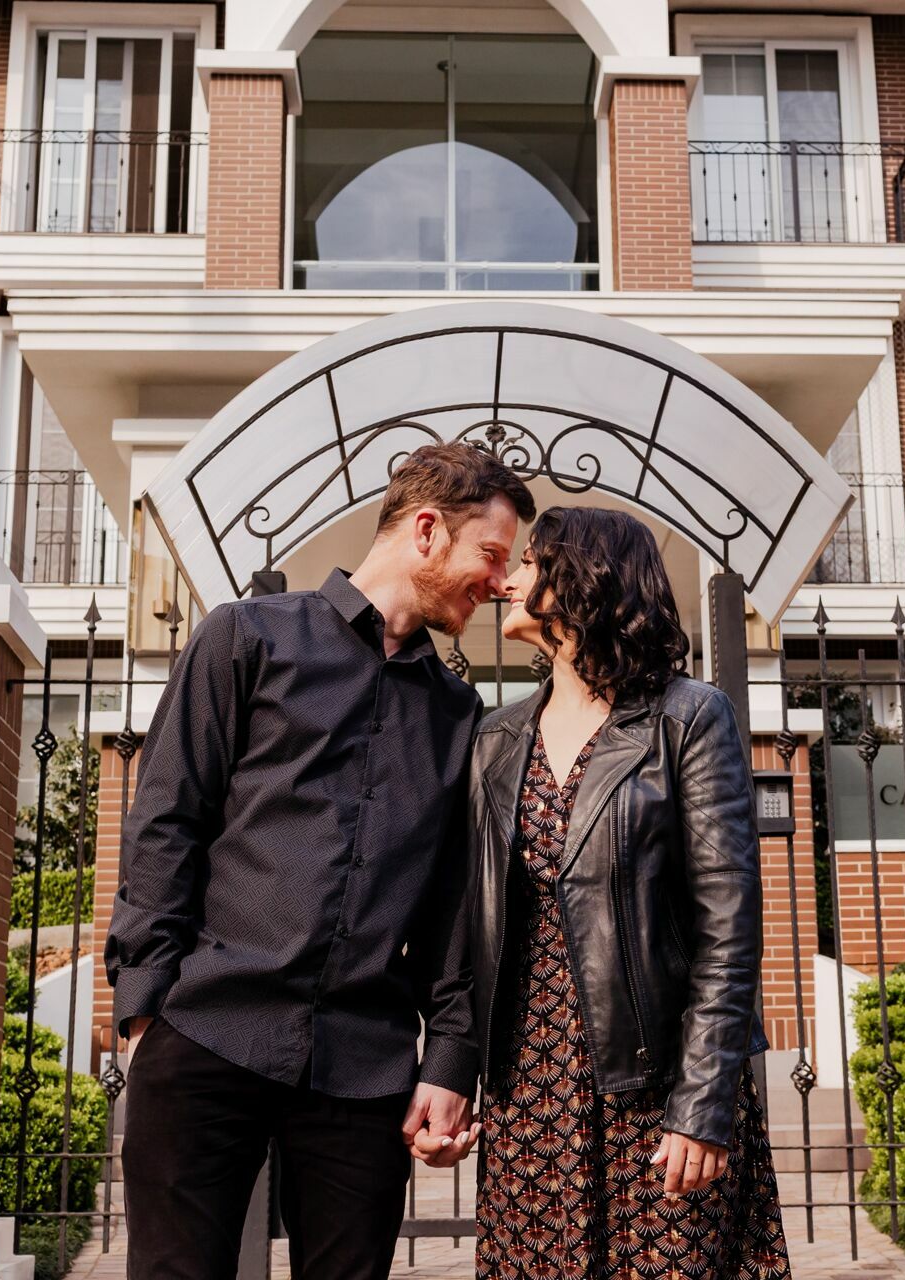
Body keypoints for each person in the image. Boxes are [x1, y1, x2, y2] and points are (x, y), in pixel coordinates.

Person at [105, 442, 535, 1280]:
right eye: (490, 554)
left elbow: (452, 906)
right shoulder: (245, 638)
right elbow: (165, 822)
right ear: (426, 530)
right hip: (205, 1033)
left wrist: (449, 1059)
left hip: (363, 1069)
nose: (498, 581)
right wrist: (145, 1009)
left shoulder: (458, 714)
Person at [463, 506, 791, 1279]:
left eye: (530, 563)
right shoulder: (497, 738)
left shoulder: (688, 717)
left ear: (582, 578)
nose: (508, 580)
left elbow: (728, 928)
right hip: (528, 1093)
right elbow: (471, 920)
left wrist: (704, 1102)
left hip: (657, 1088)